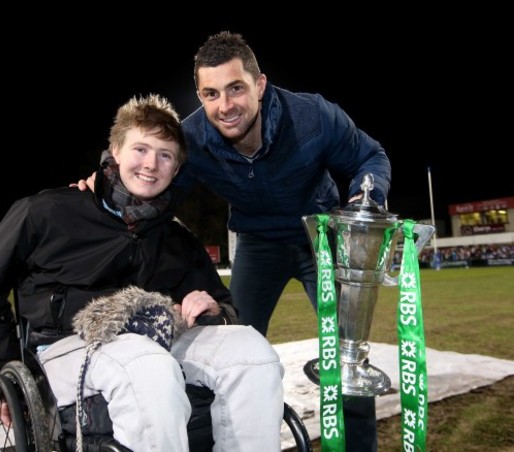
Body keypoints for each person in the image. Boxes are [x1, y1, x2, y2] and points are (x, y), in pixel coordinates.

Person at [78, 32, 391, 451]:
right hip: (257, 245)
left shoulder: (314, 116)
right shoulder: (192, 139)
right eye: (211, 94)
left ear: (259, 85)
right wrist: (104, 187)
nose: (224, 106)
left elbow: (371, 157)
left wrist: (365, 197)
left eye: (236, 88)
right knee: (231, 345)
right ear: (200, 96)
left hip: (321, 241)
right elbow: (156, 189)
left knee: (345, 352)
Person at [0, 93, 285, 452]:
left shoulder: (176, 237)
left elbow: (224, 305)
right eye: (141, 149)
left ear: (176, 170)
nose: (151, 164)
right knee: (144, 363)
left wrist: (212, 310)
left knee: (252, 351)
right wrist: (15, 371)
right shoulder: (46, 211)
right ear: (115, 150)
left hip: (157, 342)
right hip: (64, 349)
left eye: (165, 155)